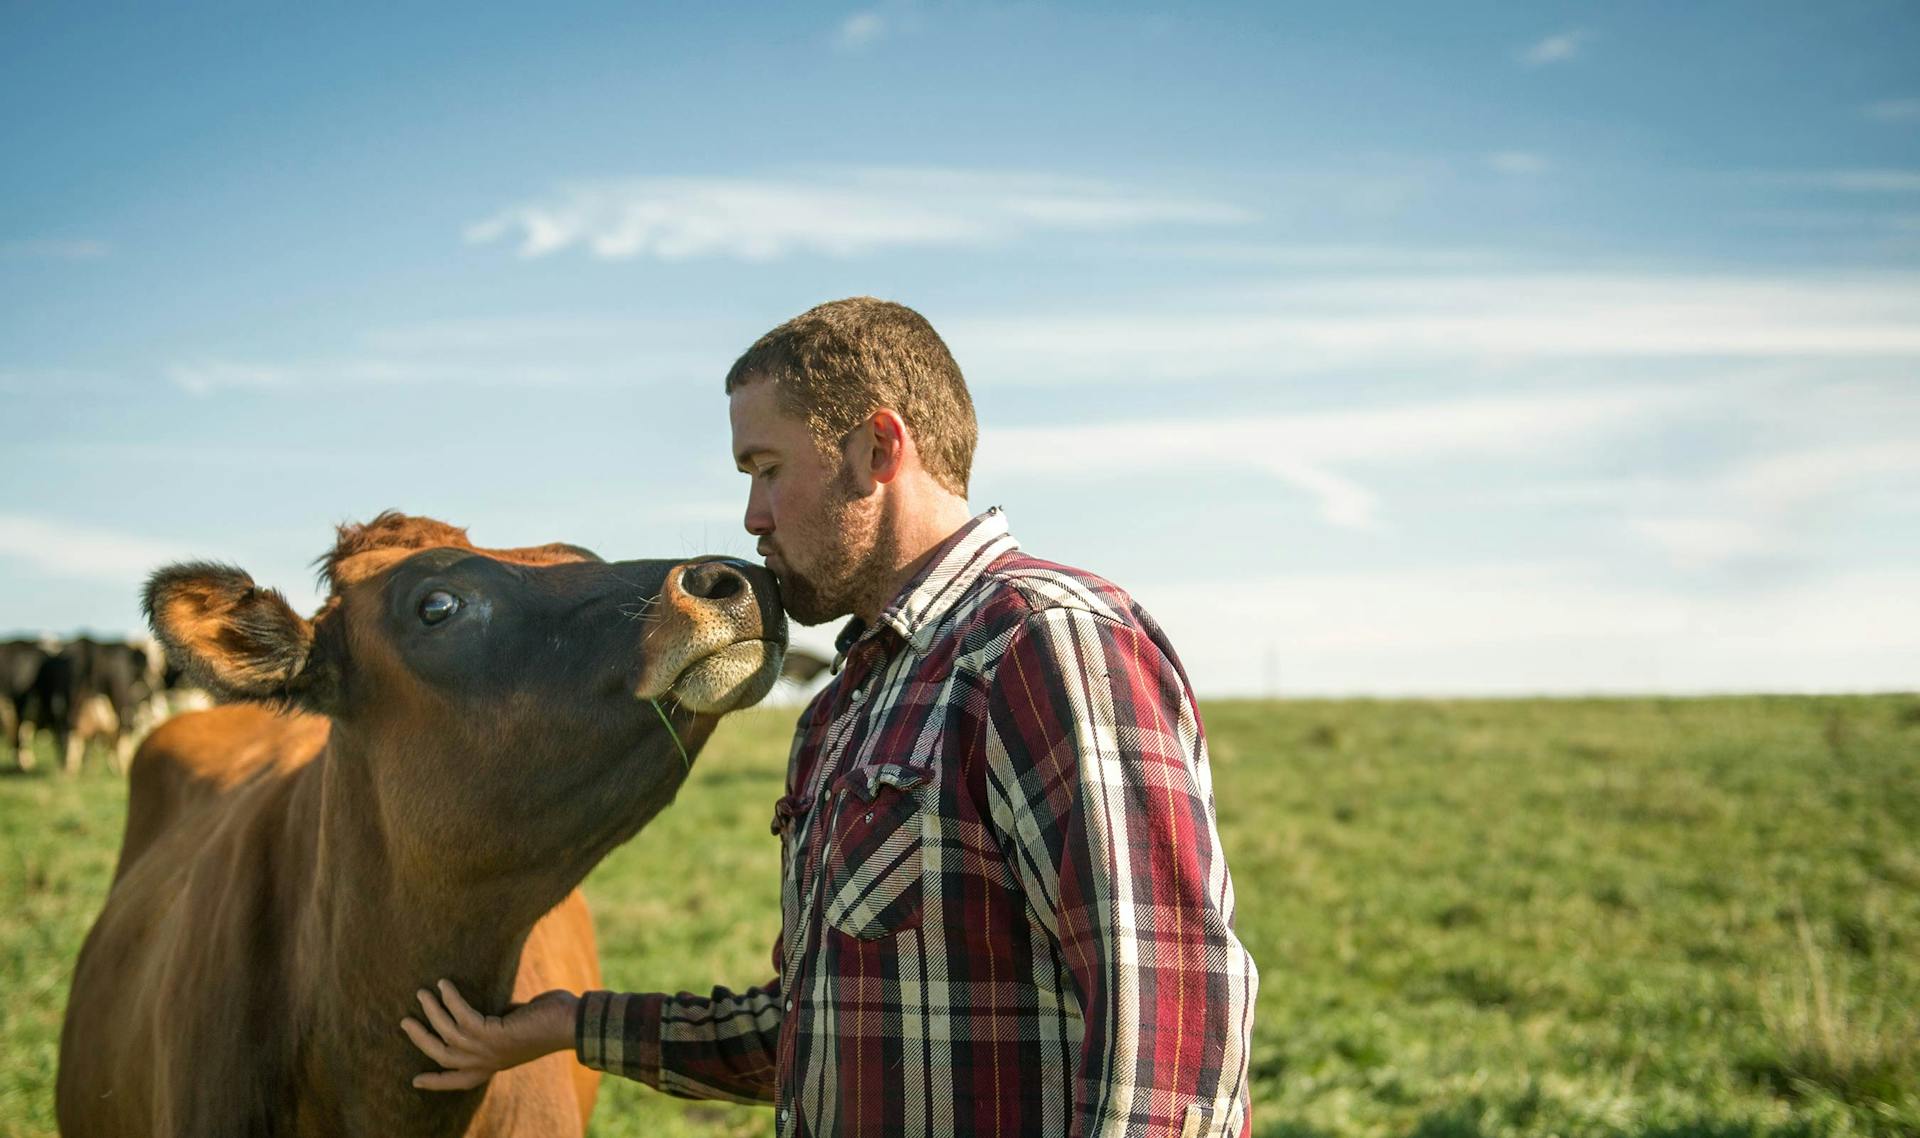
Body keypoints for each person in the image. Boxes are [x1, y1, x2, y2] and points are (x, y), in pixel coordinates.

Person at [402, 297, 1259, 1135]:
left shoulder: (1042, 641)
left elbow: (1170, 1012)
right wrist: (564, 1024)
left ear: (877, 449)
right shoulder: (843, 708)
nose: (752, 518)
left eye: (767, 468)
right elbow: (814, 1033)